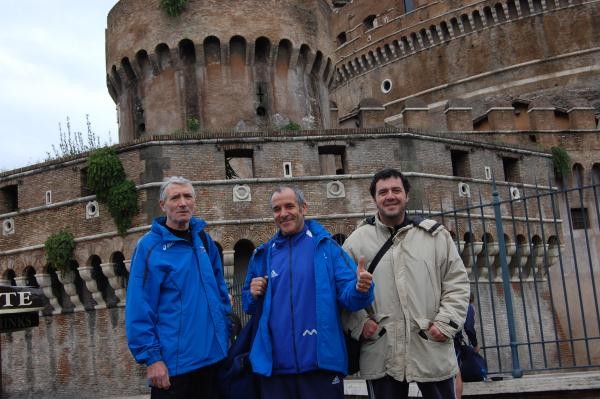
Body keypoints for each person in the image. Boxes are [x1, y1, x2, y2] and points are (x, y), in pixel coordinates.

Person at [342, 168, 470, 399]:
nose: (390, 196)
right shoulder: (355, 242)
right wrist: (360, 324)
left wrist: (445, 323)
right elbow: (340, 292)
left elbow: (457, 282)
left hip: (431, 344)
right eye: (383, 192)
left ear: (407, 195)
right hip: (382, 347)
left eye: (396, 190)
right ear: (374, 199)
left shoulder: (435, 236)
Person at [242, 186, 375, 399]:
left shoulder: (328, 249)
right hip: (274, 369)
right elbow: (248, 305)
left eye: (289, 206)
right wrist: (252, 293)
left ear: (303, 208)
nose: (283, 213)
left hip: (321, 366)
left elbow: (350, 298)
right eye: (277, 209)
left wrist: (361, 288)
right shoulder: (262, 255)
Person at [125, 176, 231, 399]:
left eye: (187, 196)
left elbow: (220, 289)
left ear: (194, 201)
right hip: (176, 368)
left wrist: (227, 330)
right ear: (163, 205)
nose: (183, 203)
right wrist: (152, 359)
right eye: (175, 197)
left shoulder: (204, 239)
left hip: (214, 359)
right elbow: (139, 307)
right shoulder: (149, 247)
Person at [454, 292, 479, 399]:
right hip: (452, 342)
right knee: (456, 372)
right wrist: (475, 344)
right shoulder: (466, 306)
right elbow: (469, 327)